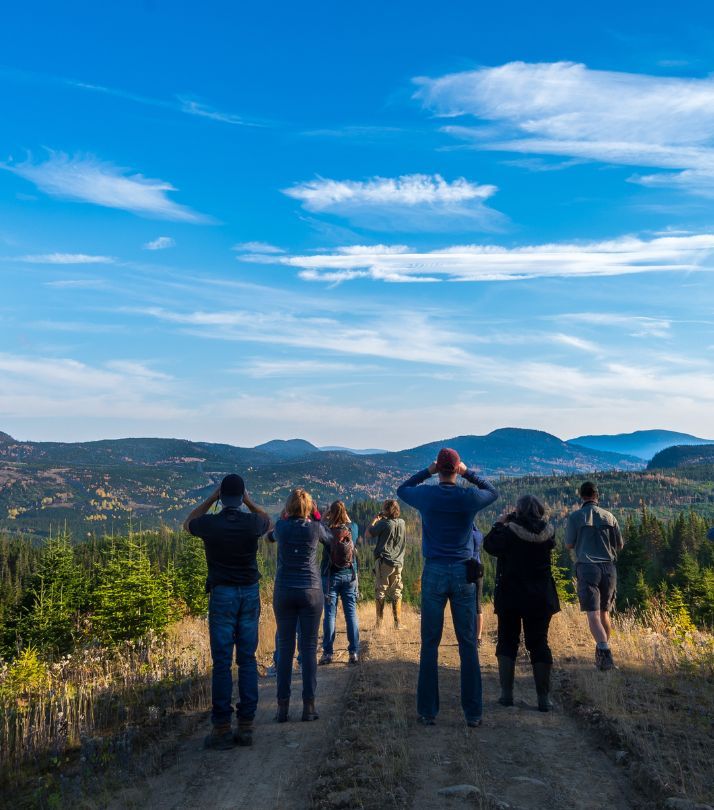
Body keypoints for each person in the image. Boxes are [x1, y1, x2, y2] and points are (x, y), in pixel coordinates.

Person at [397, 448, 499, 728]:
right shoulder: (467, 498)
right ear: (456, 469)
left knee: (430, 643)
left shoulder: (427, 496)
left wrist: (427, 471)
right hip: (464, 572)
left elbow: (402, 488)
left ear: (438, 469)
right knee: (467, 644)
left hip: (435, 571)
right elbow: (492, 491)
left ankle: (428, 711)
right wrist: (469, 473)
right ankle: (473, 713)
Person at [183, 474, 271, 750]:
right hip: (249, 593)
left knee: (222, 662)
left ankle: (221, 727)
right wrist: (249, 501)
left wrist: (211, 498)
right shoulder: (251, 523)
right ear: (242, 497)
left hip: (222, 594)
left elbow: (188, 523)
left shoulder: (210, 524)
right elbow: (267, 519)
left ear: (222, 497)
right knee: (247, 658)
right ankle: (245, 725)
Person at [483, 495, 560, 712]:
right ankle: (543, 699)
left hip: (512, 596)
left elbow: (489, 545)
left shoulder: (509, 532)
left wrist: (500, 522)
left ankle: (506, 695)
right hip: (540, 597)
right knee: (539, 644)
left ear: (518, 511)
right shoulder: (548, 533)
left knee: (507, 641)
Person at [269, 488, 330, 722]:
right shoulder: (315, 528)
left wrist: (284, 518)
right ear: (309, 508)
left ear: (288, 507)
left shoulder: (281, 527)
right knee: (308, 648)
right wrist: (316, 517)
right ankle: (309, 706)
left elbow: (268, 536)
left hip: (284, 590)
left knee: (285, 648)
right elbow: (331, 541)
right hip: (311, 591)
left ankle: (282, 708)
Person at [565, 481, 624, 672]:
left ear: (582, 496)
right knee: (605, 613)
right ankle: (603, 654)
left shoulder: (575, 517)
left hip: (587, 567)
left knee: (593, 613)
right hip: (608, 568)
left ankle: (604, 653)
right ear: (597, 496)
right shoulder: (610, 516)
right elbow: (619, 545)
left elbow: (569, 545)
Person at [319, 500, 360, 665]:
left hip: (330, 577)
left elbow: (317, 526)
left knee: (330, 614)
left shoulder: (328, 531)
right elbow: (351, 523)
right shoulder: (352, 529)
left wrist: (325, 515)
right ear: (345, 513)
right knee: (351, 613)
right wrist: (345, 515)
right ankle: (354, 652)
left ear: (331, 513)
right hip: (349, 576)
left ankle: (328, 653)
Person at [366, 499, 407, 629]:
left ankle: (379, 623)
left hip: (384, 561)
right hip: (398, 562)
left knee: (381, 590)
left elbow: (368, 534)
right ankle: (398, 622)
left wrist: (375, 520)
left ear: (386, 511)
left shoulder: (384, 524)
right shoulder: (402, 522)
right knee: (397, 591)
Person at [472, 526, 485, 646]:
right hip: (478, 570)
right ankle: (479, 637)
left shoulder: (464, 535)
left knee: (466, 605)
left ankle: (469, 635)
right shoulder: (478, 534)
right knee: (477, 604)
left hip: (466, 571)